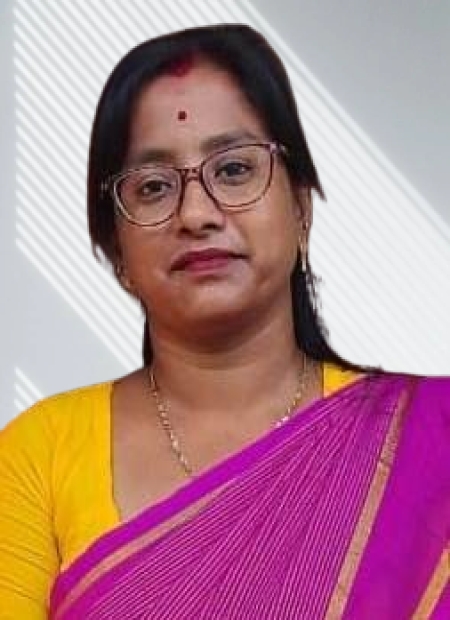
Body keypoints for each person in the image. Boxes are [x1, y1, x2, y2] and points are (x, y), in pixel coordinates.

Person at [0, 24, 448, 620]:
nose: (196, 213)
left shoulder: (433, 439)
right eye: (154, 186)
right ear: (115, 248)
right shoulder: (39, 453)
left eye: (234, 170)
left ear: (300, 207)